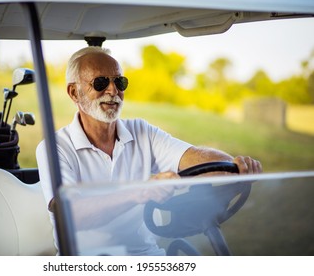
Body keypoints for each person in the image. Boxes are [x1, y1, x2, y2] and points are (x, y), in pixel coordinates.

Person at [36, 46, 262, 255]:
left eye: (120, 82)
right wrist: (138, 193)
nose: (113, 90)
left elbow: (195, 158)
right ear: (74, 93)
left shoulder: (143, 132)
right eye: (100, 82)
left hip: (146, 256)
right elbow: (70, 213)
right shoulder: (54, 149)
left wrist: (234, 165)